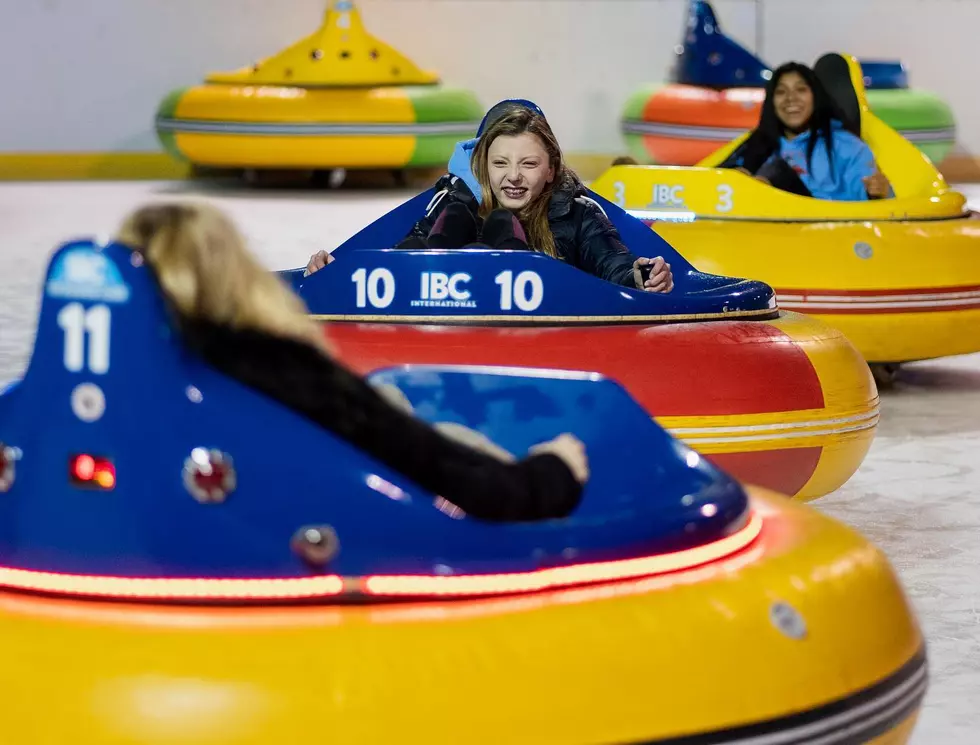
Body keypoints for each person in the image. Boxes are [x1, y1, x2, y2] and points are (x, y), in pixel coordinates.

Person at [116, 202, 590, 523]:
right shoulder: (276, 369)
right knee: (405, 417)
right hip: (322, 520)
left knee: (391, 398)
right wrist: (550, 476)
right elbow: (444, 471)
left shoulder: (128, 373)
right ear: (234, 276)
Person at [307, 100, 673, 293]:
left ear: (551, 169)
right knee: (467, 222)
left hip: (540, 333)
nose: (513, 176)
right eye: (500, 163)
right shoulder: (456, 204)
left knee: (501, 223)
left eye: (528, 164)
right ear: (483, 166)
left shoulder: (578, 212)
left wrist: (641, 277)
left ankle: (515, 259)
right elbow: (399, 256)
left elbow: (612, 264)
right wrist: (339, 274)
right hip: (452, 328)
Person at [722, 62, 892, 201]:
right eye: (781, 92)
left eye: (801, 90)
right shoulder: (757, 144)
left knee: (775, 173)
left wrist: (878, 192)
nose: (791, 98)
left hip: (821, 230)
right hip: (760, 232)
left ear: (815, 97)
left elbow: (867, 201)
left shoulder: (848, 148)